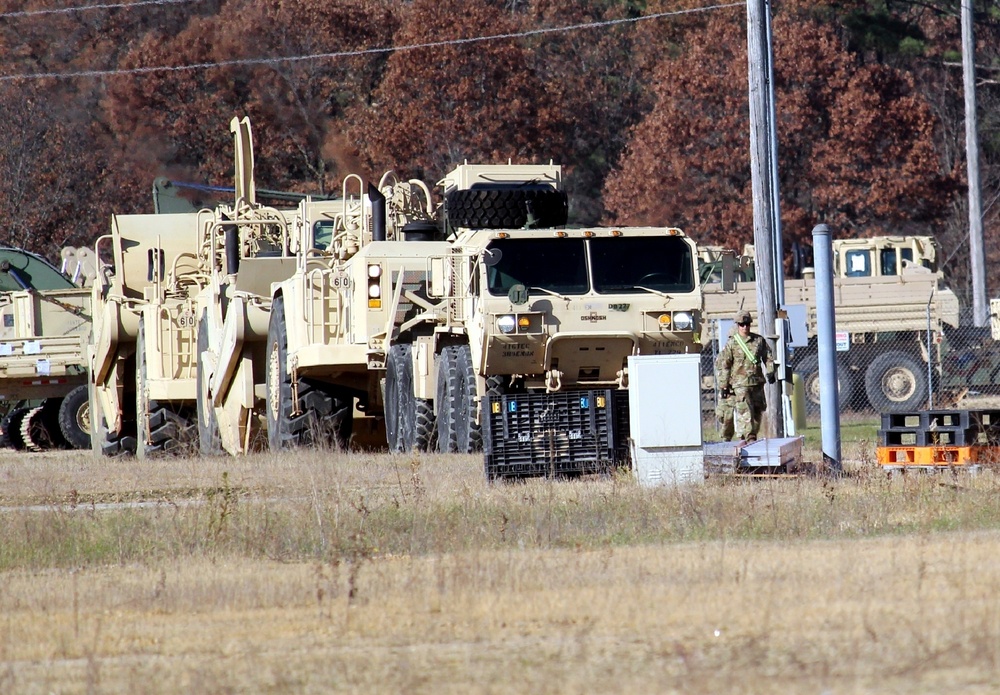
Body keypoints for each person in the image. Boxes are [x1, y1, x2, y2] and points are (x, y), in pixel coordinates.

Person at [716, 310, 775, 443]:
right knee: (744, 410)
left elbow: (768, 357)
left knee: (757, 410)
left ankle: (752, 434)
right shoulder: (732, 343)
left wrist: (771, 371)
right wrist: (724, 385)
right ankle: (748, 437)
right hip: (739, 384)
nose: (745, 327)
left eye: (747, 324)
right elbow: (725, 365)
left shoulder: (758, 340)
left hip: (756, 383)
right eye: (742, 324)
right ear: (738, 325)